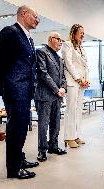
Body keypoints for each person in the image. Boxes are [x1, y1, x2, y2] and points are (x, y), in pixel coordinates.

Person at [0, 5, 40, 179]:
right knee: (16, 129)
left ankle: (19, 159)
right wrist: (5, 86)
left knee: (21, 128)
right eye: (35, 16)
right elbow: (0, 63)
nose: (37, 20)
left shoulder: (28, 38)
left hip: (24, 90)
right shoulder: (10, 32)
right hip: (15, 89)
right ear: (23, 14)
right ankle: (13, 169)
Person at [35, 32, 67, 162]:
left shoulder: (59, 58)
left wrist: (63, 88)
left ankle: (53, 145)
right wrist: (56, 89)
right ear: (50, 39)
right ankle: (42, 150)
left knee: (56, 122)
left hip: (57, 96)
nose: (60, 42)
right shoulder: (41, 52)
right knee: (43, 124)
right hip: (45, 95)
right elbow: (43, 73)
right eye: (58, 39)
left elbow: (63, 76)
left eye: (61, 40)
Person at [62, 24, 90, 148]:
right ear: (74, 33)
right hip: (72, 81)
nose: (83, 35)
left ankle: (77, 135)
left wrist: (86, 80)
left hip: (82, 82)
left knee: (79, 110)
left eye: (84, 33)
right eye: (80, 32)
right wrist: (78, 79)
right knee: (71, 109)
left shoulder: (81, 48)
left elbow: (85, 66)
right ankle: (69, 137)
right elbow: (68, 63)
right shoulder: (67, 45)